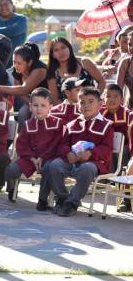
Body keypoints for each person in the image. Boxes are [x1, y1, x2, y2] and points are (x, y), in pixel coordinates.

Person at [38, 87, 113, 217]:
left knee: (87, 168)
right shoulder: (72, 124)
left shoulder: (107, 125)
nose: (86, 105)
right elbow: (62, 144)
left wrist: (91, 153)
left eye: (91, 101)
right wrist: (68, 153)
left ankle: (71, 203)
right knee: (54, 165)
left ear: (100, 104)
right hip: (71, 161)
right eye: (82, 102)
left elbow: (107, 149)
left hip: (93, 163)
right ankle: (62, 198)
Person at [5, 87, 64, 201]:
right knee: (11, 170)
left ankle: (43, 200)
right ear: (31, 107)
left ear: (50, 107)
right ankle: (12, 188)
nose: (39, 109)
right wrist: (32, 158)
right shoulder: (28, 124)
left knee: (48, 171)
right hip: (30, 158)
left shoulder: (58, 123)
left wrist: (42, 157)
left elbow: (56, 144)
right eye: (36, 105)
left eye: (43, 105)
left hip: (49, 158)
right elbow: (21, 144)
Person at [0, 43, 47, 126]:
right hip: (32, 102)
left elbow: (23, 89)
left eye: (19, 63)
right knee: (22, 114)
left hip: (49, 102)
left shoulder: (39, 69)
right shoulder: (16, 71)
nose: (15, 66)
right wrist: (33, 106)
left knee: (37, 117)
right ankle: (21, 137)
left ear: (29, 62)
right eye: (14, 62)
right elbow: (20, 93)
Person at [46, 37, 105, 104]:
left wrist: (95, 99)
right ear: (53, 55)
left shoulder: (84, 62)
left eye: (63, 47)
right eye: (56, 50)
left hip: (91, 106)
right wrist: (69, 110)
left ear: (69, 48)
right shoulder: (52, 71)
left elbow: (101, 81)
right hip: (67, 109)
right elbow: (55, 98)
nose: (61, 52)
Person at [100, 83, 131, 172]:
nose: (111, 99)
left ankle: (121, 176)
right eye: (108, 96)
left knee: (123, 150)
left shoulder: (128, 114)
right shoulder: (99, 112)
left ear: (122, 100)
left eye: (115, 96)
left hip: (124, 148)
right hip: (104, 146)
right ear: (103, 99)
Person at [115, 28, 133, 108]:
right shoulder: (125, 63)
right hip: (130, 108)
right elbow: (117, 89)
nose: (131, 48)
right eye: (130, 44)